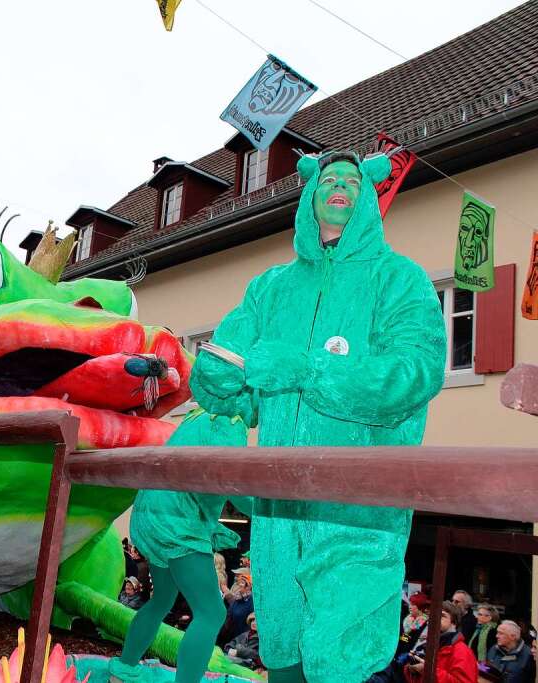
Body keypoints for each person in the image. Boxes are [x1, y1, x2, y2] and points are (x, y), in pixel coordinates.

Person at [191, 150, 446, 683]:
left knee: (345, 659)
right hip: (280, 510)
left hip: (359, 508)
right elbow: (235, 374)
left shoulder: (400, 279)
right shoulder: (270, 288)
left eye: (353, 182)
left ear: (370, 199)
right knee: (283, 654)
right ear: (309, 195)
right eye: (328, 179)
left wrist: (310, 368)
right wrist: (216, 379)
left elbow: (416, 372)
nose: (340, 187)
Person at [108, 409, 249, 683]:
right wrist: (275, 508)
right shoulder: (231, 421)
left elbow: (197, 473)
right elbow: (230, 481)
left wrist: (210, 527)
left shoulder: (199, 414)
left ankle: (124, 669)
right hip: (177, 522)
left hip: (152, 512)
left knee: (162, 599)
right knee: (211, 612)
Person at [402, 601, 477, 682]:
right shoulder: (429, 645)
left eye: (442, 615)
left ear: (454, 623)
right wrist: (411, 668)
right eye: (432, 615)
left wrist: (428, 670)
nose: (434, 618)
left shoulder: (462, 651)